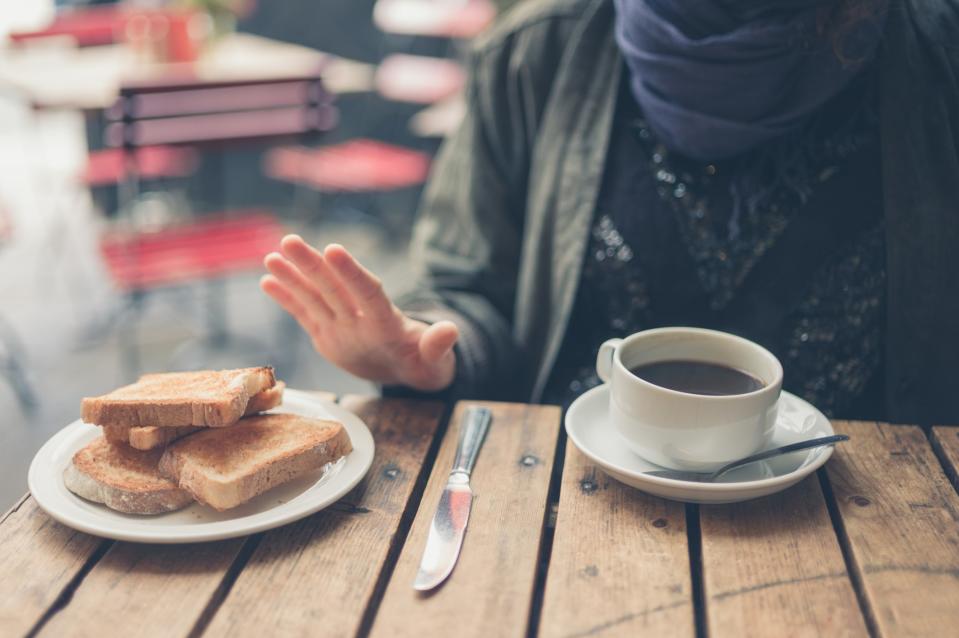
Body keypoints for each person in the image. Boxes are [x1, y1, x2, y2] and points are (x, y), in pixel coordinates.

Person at [262, 0, 959, 424]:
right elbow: (467, 291)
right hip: (572, 504)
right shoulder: (534, 54)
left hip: (862, 512)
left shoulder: (937, 51)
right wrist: (423, 355)